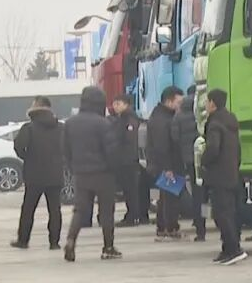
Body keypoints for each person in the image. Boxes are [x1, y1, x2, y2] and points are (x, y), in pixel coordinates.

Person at [62, 86, 121, 261]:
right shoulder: (103, 123)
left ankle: (71, 240)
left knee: (80, 210)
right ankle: (108, 247)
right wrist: (114, 170)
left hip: (81, 174)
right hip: (103, 174)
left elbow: (65, 150)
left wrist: (74, 168)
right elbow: (111, 151)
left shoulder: (70, 123)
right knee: (106, 212)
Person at [11, 96, 65, 250]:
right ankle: (54, 242)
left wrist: (28, 157)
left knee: (28, 209)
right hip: (55, 173)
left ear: (35, 107)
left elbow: (19, 146)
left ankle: (23, 240)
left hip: (34, 174)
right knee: (55, 209)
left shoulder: (28, 128)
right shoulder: (61, 127)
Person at [201, 88, 248, 265]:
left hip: (218, 175)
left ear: (212, 103)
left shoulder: (214, 124)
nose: (206, 105)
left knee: (222, 214)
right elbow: (238, 149)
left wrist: (204, 160)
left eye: (207, 101)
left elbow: (213, 148)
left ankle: (234, 249)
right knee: (228, 212)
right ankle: (227, 249)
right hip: (231, 173)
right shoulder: (230, 121)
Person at [146, 86, 184, 240]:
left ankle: (163, 227)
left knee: (165, 197)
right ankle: (170, 228)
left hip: (164, 164)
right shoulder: (162, 120)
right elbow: (162, 146)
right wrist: (168, 168)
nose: (180, 106)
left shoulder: (162, 116)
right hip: (167, 165)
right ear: (169, 101)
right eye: (178, 102)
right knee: (170, 198)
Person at [172, 85, 206, 241]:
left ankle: (200, 229)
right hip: (206, 159)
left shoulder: (178, 117)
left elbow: (175, 138)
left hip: (190, 160)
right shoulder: (202, 114)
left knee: (197, 194)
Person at [110, 94, 143, 226]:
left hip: (128, 160)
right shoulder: (120, 119)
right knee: (128, 190)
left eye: (118, 104)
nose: (115, 106)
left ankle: (133, 216)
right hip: (122, 160)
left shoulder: (129, 119)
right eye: (114, 103)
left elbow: (129, 140)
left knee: (131, 190)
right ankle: (132, 214)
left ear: (126, 104)